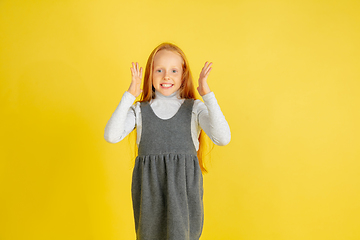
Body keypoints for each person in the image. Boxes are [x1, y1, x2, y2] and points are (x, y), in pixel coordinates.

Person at [104, 42, 231, 240]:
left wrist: (208, 96)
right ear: (150, 74)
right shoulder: (140, 110)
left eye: (174, 70)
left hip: (184, 199)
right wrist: (129, 95)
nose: (166, 76)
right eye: (159, 70)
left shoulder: (194, 108)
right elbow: (111, 136)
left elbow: (223, 138)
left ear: (183, 75)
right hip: (149, 198)